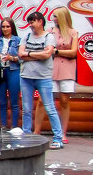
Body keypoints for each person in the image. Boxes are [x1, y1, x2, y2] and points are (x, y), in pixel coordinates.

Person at [19, 10, 64, 149]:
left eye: (33, 21)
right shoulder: (26, 36)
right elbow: (20, 54)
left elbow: (47, 55)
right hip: (26, 77)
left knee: (50, 107)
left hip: (43, 77)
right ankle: (26, 136)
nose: (30, 25)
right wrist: (37, 53)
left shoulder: (49, 37)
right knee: (26, 109)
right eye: (29, 22)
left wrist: (29, 54)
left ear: (40, 21)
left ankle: (58, 138)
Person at [34, 6, 77, 143]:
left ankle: (62, 133)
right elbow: (45, 48)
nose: (53, 19)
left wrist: (56, 52)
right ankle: (36, 131)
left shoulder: (73, 32)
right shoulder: (49, 32)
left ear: (62, 17)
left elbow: (73, 52)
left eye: (55, 16)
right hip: (50, 69)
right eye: (53, 16)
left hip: (67, 69)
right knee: (42, 100)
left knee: (64, 101)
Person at [0, 18, 21, 131]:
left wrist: (12, 58)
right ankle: (3, 125)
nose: (5, 29)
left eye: (8, 26)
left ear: (12, 28)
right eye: (3, 27)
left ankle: (14, 126)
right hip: (0, 71)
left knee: (14, 101)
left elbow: (22, 59)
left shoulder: (18, 41)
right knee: (2, 101)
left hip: (13, 71)